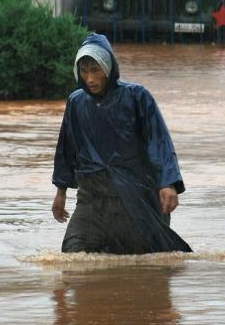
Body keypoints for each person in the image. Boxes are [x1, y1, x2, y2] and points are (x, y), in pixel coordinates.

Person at [51, 32, 191, 254]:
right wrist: (61, 192)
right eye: (84, 71)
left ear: (108, 67)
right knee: (72, 255)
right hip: (92, 198)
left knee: (148, 264)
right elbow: (67, 150)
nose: (90, 79)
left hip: (136, 195)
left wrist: (168, 183)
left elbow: (159, 141)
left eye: (96, 70)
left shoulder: (137, 96)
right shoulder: (76, 102)